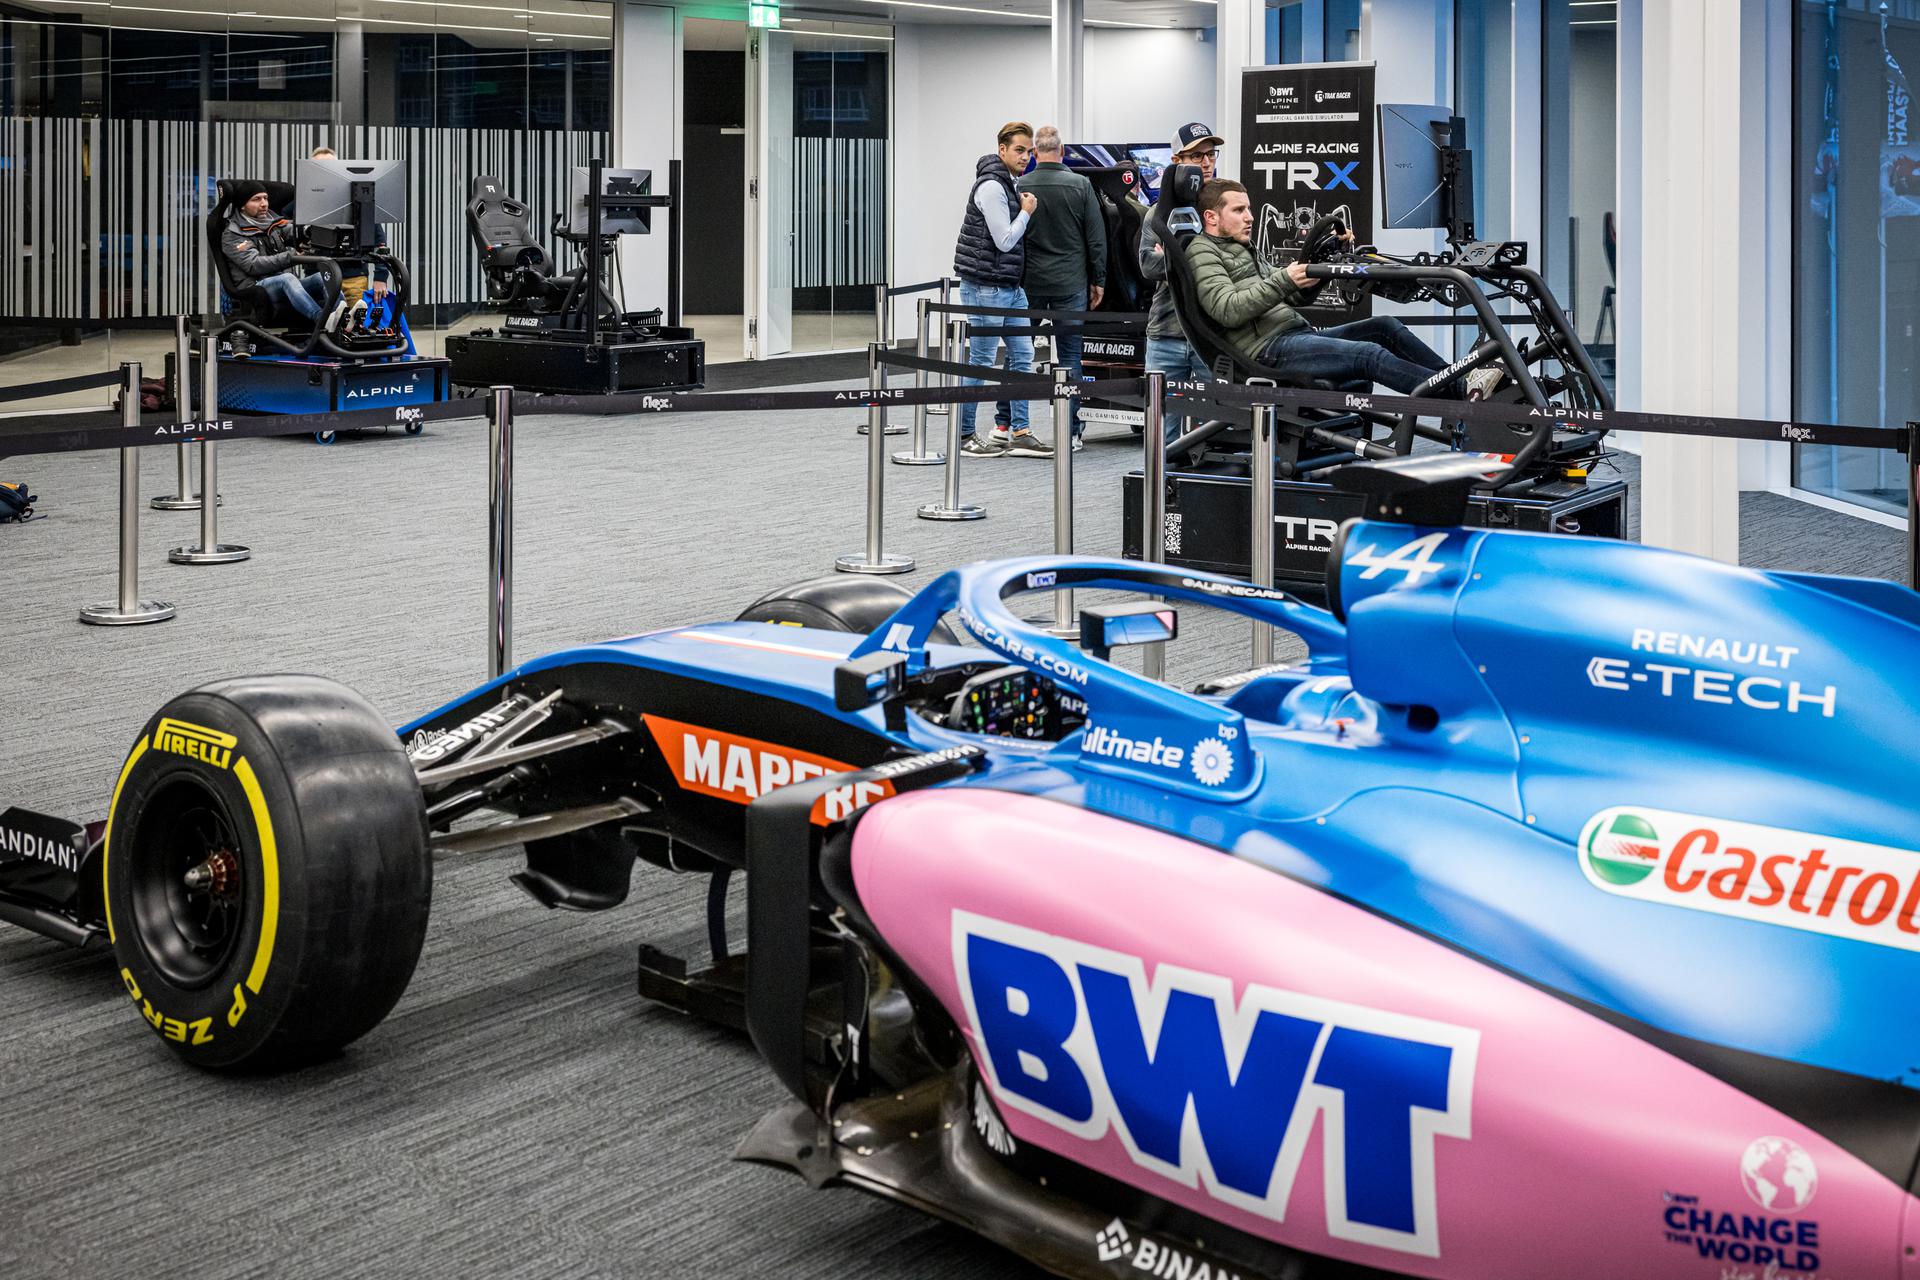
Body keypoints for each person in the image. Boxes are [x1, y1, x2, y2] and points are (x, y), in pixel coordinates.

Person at [1186, 178, 1484, 397]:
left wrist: (1321, 266)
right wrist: (1283, 279)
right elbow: (1227, 310)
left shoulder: (1245, 247)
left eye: (1249, 209)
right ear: (1211, 217)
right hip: (1265, 350)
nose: (1250, 217)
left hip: (1293, 334)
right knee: (1368, 355)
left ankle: (1459, 376)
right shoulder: (1202, 251)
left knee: (1385, 327)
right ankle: (1464, 392)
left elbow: (1293, 295)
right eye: (1239, 210)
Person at [953, 122, 1048, 458]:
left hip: (1009, 286)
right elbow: (1005, 240)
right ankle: (964, 435)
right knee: (980, 361)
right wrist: (1026, 213)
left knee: (1023, 356)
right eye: (1019, 150)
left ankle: (1019, 431)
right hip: (985, 289)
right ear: (1002, 149)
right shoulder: (993, 187)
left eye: (1029, 150)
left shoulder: (1010, 183)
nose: (1025, 156)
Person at [1008, 124, 1106, 452]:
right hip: (1071, 283)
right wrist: (1099, 280)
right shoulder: (1080, 185)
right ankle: (1071, 433)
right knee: (1070, 357)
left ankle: (1009, 426)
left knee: (1018, 356)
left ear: (1035, 154)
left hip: (1029, 284)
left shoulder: (1021, 184)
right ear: (1062, 151)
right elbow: (1096, 238)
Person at [1138, 122, 1222, 389]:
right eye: (1197, 156)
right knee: (1163, 422)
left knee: (1219, 420)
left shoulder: (1226, 208)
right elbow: (1148, 266)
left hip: (1213, 335)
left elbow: (1236, 265)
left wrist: (1173, 256)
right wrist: (1208, 260)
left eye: (1211, 154)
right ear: (1177, 161)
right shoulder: (1159, 213)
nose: (1206, 162)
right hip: (1166, 333)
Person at [221, 181, 329, 324]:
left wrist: (307, 232)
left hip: (283, 284)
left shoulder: (272, 222)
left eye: (265, 198)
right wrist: (291, 256)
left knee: (323, 278)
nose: (264, 203)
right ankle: (323, 320)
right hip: (256, 288)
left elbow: (291, 231)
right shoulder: (233, 233)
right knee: (288, 278)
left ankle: (340, 321)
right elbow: (253, 265)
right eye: (256, 199)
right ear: (242, 205)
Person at [310, 146, 388, 319]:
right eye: (319, 167)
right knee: (323, 329)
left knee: (355, 327)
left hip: (353, 276)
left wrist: (381, 276)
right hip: (318, 277)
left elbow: (379, 238)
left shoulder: (357, 197)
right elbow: (284, 224)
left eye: (330, 167)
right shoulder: (304, 200)